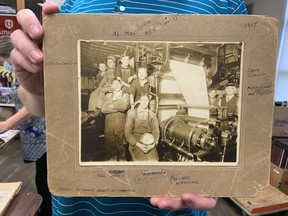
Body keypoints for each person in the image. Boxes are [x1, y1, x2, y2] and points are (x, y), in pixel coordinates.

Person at [10, 0, 247, 215]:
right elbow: (43, 107)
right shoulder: (71, 5)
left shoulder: (225, 4)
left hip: (174, 208)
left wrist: (223, 177)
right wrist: (37, 90)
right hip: (80, 208)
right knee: (113, 146)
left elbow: (253, 110)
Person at [0, 36, 51, 216]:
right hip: (33, 132)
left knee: (45, 180)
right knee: (42, 176)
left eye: (4, 60)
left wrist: (8, 123)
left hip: (42, 132)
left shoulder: (32, 70)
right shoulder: (18, 71)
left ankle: (47, 212)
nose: (5, 65)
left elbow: (34, 105)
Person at [101, 78, 130, 161]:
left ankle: (122, 160)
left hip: (120, 121)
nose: (116, 86)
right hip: (109, 122)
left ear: (121, 85)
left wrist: (112, 106)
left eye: (118, 84)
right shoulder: (108, 95)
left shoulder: (126, 95)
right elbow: (103, 109)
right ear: (111, 86)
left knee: (120, 142)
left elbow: (124, 107)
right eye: (114, 84)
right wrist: (118, 106)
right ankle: (112, 160)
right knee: (110, 142)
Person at [125, 94, 159, 161]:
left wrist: (153, 144)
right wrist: (138, 144)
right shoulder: (131, 114)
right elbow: (127, 132)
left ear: (149, 101)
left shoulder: (152, 115)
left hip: (149, 141)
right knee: (142, 161)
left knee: (154, 160)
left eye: (146, 100)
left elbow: (156, 132)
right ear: (139, 101)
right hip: (136, 141)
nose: (144, 102)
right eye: (142, 100)